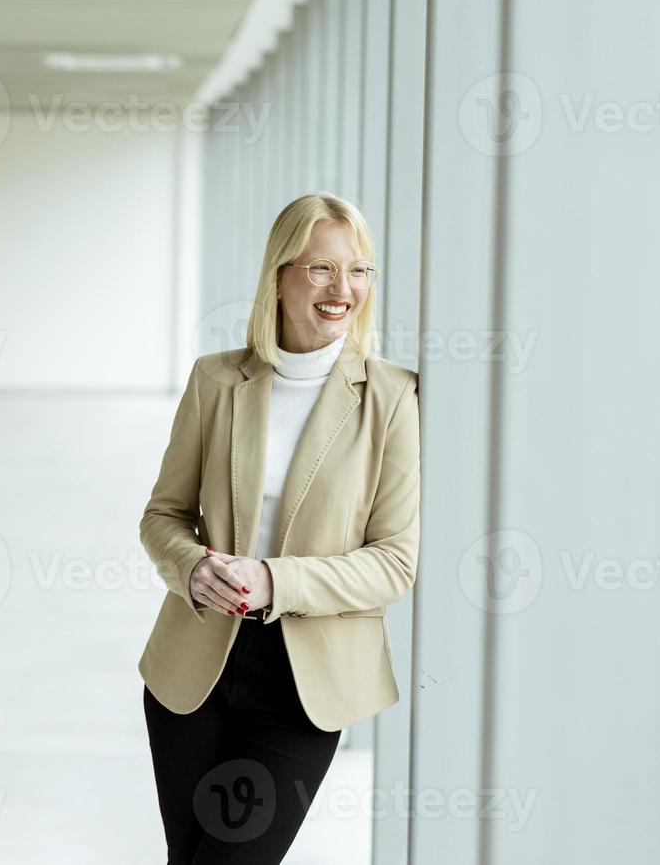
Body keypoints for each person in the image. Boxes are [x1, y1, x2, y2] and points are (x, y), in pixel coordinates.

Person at [137, 192, 422, 864]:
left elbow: (394, 561)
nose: (341, 289)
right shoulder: (217, 381)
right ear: (279, 276)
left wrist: (271, 580)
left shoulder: (391, 397)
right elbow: (164, 515)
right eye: (321, 268)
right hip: (192, 671)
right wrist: (191, 566)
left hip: (304, 686)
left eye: (359, 271)